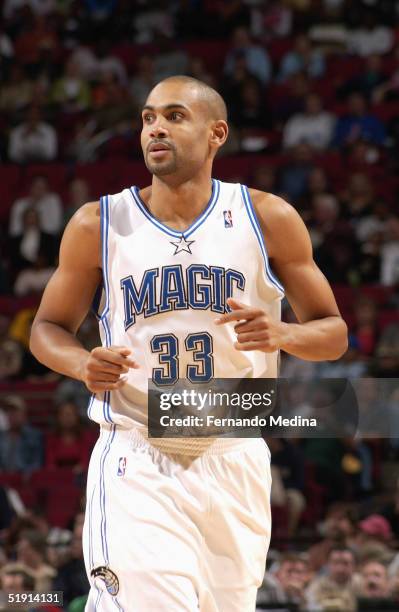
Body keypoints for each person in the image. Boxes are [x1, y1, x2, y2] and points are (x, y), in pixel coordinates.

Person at [30, 76, 348, 611]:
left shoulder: (267, 216)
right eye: (149, 118)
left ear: (216, 133)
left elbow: (334, 333)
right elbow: (46, 329)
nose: (155, 128)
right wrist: (83, 363)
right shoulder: (98, 223)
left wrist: (285, 333)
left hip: (235, 449)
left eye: (174, 116)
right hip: (139, 452)